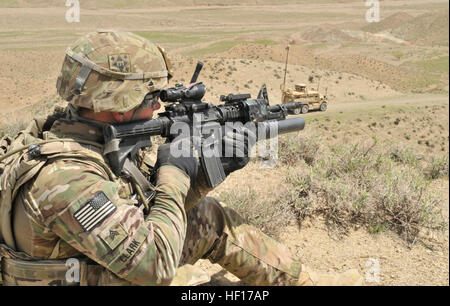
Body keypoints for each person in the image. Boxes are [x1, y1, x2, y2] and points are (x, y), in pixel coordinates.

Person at [0, 31, 363, 286]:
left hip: (85, 260)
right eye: (149, 96)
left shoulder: (71, 131)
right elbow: (154, 266)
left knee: (207, 215)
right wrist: (175, 171)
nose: (158, 104)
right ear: (119, 103)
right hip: (88, 273)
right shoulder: (65, 179)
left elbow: (134, 206)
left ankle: (304, 282)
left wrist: (204, 174)